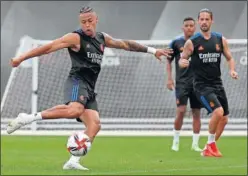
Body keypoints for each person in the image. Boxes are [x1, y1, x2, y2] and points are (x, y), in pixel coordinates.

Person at [7, 6, 173, 170]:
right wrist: (21, 58)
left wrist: (153, 51)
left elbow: (125, 44)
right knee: (74, 110)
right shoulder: (75, 38)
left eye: (90, 21)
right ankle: (27, 118)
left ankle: (73, 162)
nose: (87, 25)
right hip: (77, 81)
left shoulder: (102, 38)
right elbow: (49, 47)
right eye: (83, 22)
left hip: (90, 87)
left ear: (96, 21)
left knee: (94, 125)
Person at [179, 8, 238, 157]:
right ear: (198, 21)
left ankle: (208, 147)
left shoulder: (220, 39)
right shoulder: (192, 42)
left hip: (217, 84)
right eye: (202, 19)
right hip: (201, 86)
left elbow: (230, 58)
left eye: (207, 19)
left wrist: (232, 70)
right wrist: (182, 63)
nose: (204, 22)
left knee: (224, 119)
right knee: (218, 112)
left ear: (212, 21)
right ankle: (211, 145)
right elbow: (182, 59)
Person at [167, 17, 202, 152]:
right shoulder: (176, 42)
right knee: (181, 111)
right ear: (183, 28)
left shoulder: (200, 41)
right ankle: (175, 142)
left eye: (191, 25)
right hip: (182, 82)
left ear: (195, 27)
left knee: (196, 113)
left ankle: (195, 144)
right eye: (186, 25)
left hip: (198, 83)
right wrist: (169, 79)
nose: (189, 28)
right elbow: (169, 61)